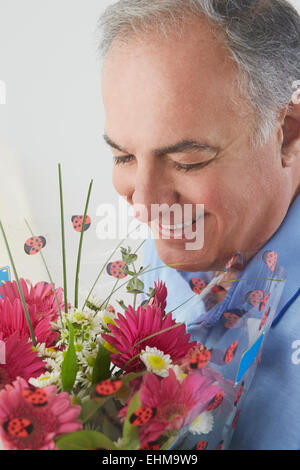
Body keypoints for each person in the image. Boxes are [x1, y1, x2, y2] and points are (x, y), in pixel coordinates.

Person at [98, 0, 300, 449]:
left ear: (286, 133)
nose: (147, 204)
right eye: (123, 157)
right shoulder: (156, 258)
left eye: (187, 161)